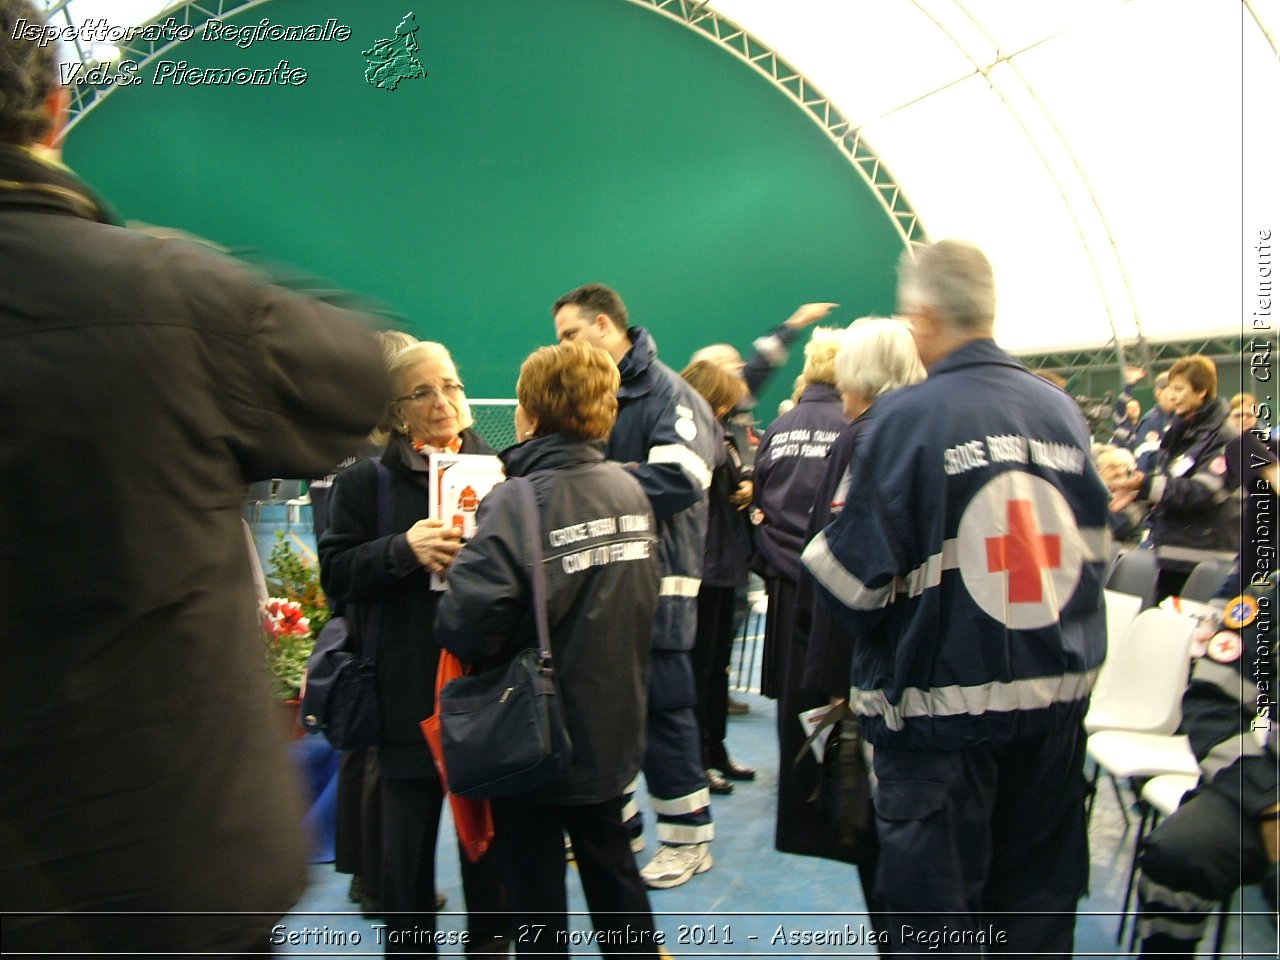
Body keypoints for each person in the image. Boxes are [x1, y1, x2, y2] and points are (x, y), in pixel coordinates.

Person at [0, 0, 389, 952]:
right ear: (55, 111)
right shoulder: (170, 292)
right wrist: (176, 270)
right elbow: (352, 371)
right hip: (171, 863)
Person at [803, 240, 1110, 956]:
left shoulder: (908, 420)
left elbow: (852, 586)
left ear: (923, 313)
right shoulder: (1061, 415)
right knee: (1034, 923)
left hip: (942, 736)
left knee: (935, 933)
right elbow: (1094, 559)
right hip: (1054, 729)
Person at [437, 341, 662, 957]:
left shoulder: (516, 499)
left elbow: (466, 623)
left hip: (538, 733)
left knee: (535, 894)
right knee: (614, 872)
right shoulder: (630, 491)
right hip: (612, 726)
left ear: (531, 415)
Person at [319, 342, 509, 955]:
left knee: (489, 857)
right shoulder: (364, 482)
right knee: (405, 864)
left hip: (483, 696)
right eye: (422, 392)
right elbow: (336, 574)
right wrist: (402, 550)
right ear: (398, 411)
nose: (442, 402)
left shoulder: (504, 475)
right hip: (404, 700)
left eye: (451, 386)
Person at [551, 282, 719, 890]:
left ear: (604, 325)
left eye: (570, 334)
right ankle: (620, 833)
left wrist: (594, 482)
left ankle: (687, 839)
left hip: (660, 585)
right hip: (601, 585)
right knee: (603, 716)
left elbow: (682, 479)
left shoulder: (671, 394)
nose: (564, 347)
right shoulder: (596, 392)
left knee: (665, 714)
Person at [782, 317, 925, 944]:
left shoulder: (864, 439)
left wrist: (828, 675)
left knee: (874, 833)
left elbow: (843, 563)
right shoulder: (915, 432)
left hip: (867, 666)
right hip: (916, 665)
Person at [1135, 573, 1278, 958]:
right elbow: (1215, 706)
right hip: (1267, 781)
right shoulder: (1268, 596)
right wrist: (1267, 801)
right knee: (1179, 853)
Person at [751, 328, 849, 699]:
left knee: (791, 691)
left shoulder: (778, 428)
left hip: (781, 575)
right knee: (830, 691)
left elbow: (760, 495)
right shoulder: (852, 426)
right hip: (831, 577)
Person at [1108, 355, 1241, 602]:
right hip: (1171, 555)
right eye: (1170, 388)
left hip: (1203, 565)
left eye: (1179, 389)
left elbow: (1203, 492)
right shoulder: (1179, 431)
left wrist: (1146, 485)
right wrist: (1139, 493)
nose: (1172, 395)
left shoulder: (1225, 437)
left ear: (1201, 392)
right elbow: (1166, 481)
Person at [679, 360, 754, 794]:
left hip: (724, 565)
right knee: (698, 669)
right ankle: (697, 761)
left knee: (715, 669)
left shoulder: (720, 433)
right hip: (702, 570)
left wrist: (748, 484)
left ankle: (716, 752)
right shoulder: (694, 435)